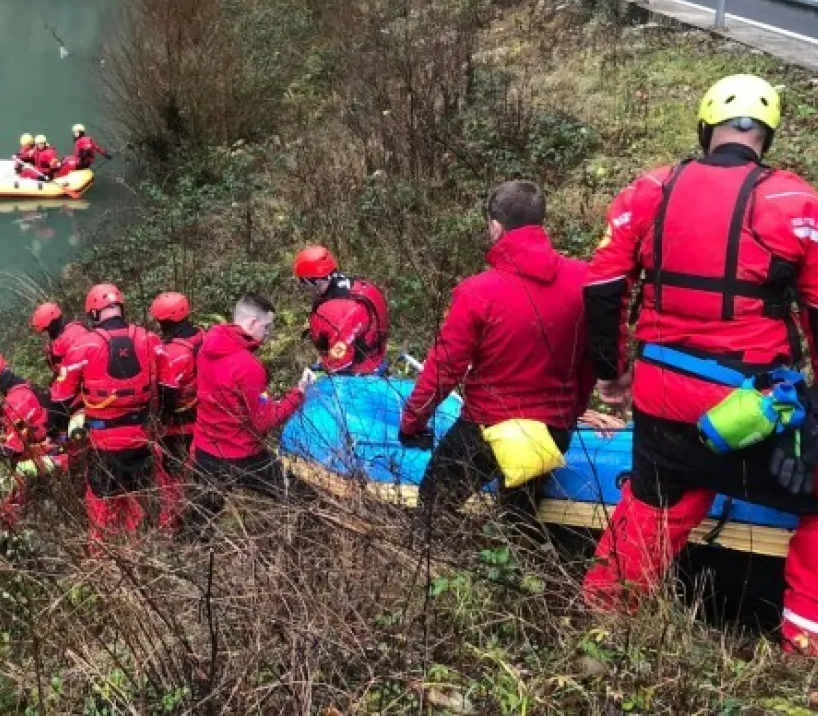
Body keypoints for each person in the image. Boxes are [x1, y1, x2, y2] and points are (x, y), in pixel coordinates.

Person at [581, 74, 818, 655]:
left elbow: (601, 287)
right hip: (752, 410)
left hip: (661, 396)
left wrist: (611, 371)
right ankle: (809, 646)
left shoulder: (647, 191)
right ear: (766, 138)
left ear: (705, 128)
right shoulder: (799, 205)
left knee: (655, 499)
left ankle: (604, 618)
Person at [397, 181, 594, 533]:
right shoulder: (584, 279)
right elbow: (593, 358)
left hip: (488, 427)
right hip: (552, 429)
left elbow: (445, 368)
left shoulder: (477, 292)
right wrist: (571, 412)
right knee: (521, 522)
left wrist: (413, 422)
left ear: (496, 226)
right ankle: (519, 580)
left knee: (432, 506)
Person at [189, 294, 315, 538]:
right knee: (300, 496)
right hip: (242, 456)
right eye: (267, 327)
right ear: (252, 324)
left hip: (206, 451)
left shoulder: (206, 347)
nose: (268, 334)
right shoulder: (248, 367)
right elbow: (263, 422)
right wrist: (299, 393)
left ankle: (186, 561)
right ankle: (301, 547)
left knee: (201, 523)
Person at [49, 284, 160, 546]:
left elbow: (61, 398)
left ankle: (101, 558)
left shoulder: (83, 346)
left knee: (100, 504)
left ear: (94, 314)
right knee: (136, 500)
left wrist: (58, 429)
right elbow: (167, 388)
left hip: (104, 440)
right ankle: (135, 552)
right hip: (141, 436)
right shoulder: (149, 339)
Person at [0, 353, 63, 528]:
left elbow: (12, 448)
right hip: (50, 446)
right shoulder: (22, 387)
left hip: (49, 454)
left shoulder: (17, 400)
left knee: (9, 511)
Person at [150, 291, 205, 531]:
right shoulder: (203, 337)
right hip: (205, 416)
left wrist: (159, 419)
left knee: (171, 477)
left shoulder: (174, 353)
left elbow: (166, 393)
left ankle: (172, 524)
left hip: (179, 424)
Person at [294, 245, 390, 375]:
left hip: (359, 375)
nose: (303, 288)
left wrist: (321, 369)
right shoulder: (362, 286)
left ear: (314, 282)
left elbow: (340, 363)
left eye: (303, 283)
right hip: (378, 359)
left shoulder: (332, 314)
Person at [31, 302, 88, 377]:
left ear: (51, 326)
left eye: (46, 330)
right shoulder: (77, 327)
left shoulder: (63, 343)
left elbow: (67, 374)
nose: (46, 334)